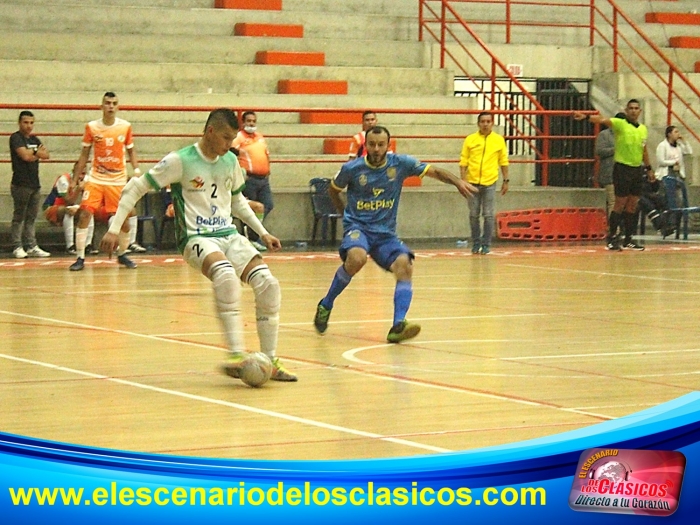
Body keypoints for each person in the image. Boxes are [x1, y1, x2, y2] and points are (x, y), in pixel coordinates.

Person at [100, 108, 297, 383]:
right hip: (196, 237)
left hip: (228, 234)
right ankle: (237, 354)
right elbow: (136, 187)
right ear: (211, 131)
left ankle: (270, 360)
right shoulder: (180, 160)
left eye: (233, 139)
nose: (230, 145)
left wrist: (263, 232)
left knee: (268, 284)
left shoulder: (229, 161)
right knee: (226, 275)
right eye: (226, 138)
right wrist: (113, 229)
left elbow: (237, 201)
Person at [313, 126, 477, 342]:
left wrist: (457, 181)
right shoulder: (352, 168)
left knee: (405, 265)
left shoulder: (400, 164)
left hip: (385, 234)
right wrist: (346, 215)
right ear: (366, 146)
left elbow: (433, 171)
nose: (376, 148)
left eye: (381, 144)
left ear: (388, 146)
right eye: (372, 144)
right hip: (358, 228)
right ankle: (326, 304)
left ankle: (398, 325)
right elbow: (333, 189)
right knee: (356, 258)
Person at [69, 91, 141, 271]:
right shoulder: (92, 127)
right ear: (101, 106)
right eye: (107, 103)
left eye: (114, 103)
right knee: (85, 213)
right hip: (96, 178)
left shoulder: (125, 126)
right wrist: (74, 179)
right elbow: (84, 154)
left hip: (117, 180)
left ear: (118, 107)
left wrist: (137, 170)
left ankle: (122, 254)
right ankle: (80, 258)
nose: (110, 106)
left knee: (123, 219)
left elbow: (131, 150)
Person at [574, 99, 652, 251]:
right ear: (627, 110)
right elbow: (603, 119)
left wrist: (649, 168)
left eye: (637, 108)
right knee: (619, 204)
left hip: (637, 169)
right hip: (622, 169)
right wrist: (586, 117)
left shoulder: (643, 129)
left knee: (632, 205)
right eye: (631, 108)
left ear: (640, 111)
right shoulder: (621, 124)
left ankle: (628, 239)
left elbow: (644, 149)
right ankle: (611, 238)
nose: (634, 111)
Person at [458, 111, 509, 254]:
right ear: (478, 123)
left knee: (488, 214)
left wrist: (506, 180)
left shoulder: (498, 140)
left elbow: (503, 161)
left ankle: (486, 244)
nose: (485, 124)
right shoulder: (470, 139)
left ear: (492, 123)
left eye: (488, 121)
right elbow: (464, 161)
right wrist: (463, 181)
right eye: (483, 122)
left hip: (490, 182)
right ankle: (476, 243)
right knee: (474, 214)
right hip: (472, 183)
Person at [9, 110, 51, 259]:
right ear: (19, 123)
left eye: (31, 123)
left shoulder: (35, 139)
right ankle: (17, 245)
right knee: (19, 216)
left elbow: (46, 155)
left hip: (34, 183)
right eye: (25, 122)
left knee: (31, 217)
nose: (29, 126)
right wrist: (35, 154)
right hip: (20, 183)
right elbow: (25, 156)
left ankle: (31, 245)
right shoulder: (15, 138)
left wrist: (34, 154)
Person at [230, 111, 272, 251]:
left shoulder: (260, 137)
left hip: (263, 179)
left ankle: (253, 235)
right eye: (248, 121)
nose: (251, 123)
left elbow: (266, 154)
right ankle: (252, 239)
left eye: (254, 121)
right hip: (249, 179)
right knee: (248, 208)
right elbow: (231, 154)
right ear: (243, 122)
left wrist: (268, 169)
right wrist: (241, 173)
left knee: (268, 205)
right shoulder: (238, 137)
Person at [656, 125, 693, 229]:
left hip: (678, 174)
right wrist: (673, 162)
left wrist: (684, 140)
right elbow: (660, 161)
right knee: (667, 200)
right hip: (666, 174)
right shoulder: (662, 146)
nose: (678, 134)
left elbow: (689, 151)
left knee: (679, 200)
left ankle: (675, 223)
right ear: (669, 134)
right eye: (675, 132)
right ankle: (664, 224)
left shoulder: (679, 146)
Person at [595, 113, 626, 218]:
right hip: (610, 173)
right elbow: (599, 151)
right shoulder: (605, 135)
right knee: (613, 202)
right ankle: (613, 229)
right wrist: (616, 149)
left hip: (624, 174)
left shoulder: (628, 135)